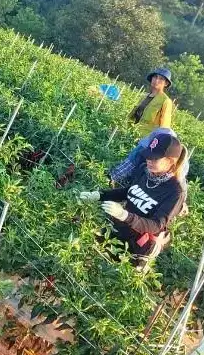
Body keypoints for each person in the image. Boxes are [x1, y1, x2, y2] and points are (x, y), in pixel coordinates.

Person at [80, 131, 186, 267]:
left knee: (117, 277)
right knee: (93, 261)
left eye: (155, 158)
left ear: (170, 161)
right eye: (148, 156)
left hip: (139, 246)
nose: (149, 160)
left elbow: (156, 225)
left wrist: (125, 215)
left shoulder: (174, 191)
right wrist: (100, 195)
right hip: (120, 230)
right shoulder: (144, 171)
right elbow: (129, 192)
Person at [109, 67, 175, 184]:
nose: (156, 80)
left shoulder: (165, 101)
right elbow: (134, 115)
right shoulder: (145, 96)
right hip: (133, 134)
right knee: (129, 160)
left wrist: (154, 143)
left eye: (161, 79)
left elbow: (164, 127)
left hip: (148, 139)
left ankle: (113, 178)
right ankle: (121, 183)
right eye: (155, 77)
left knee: (133, 160)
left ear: (165, 84)